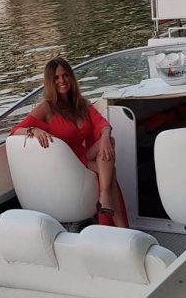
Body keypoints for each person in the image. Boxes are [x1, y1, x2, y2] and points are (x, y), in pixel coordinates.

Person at [10, 58, 128, 227]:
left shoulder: (81, 104)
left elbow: (102, 123)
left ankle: (106, 203)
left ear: (71, 77)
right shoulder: (47, 108)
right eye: (56, 78)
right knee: (110, 173)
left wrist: (105, 136)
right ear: (50, 82)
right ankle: (119, 224)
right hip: (68, 165)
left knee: (109, 141)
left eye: (65, 75)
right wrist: (34, 130)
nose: (62, 81)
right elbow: (15, 130)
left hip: (83, 157)